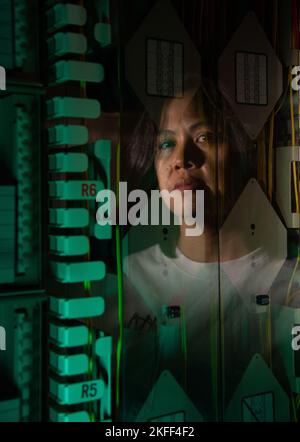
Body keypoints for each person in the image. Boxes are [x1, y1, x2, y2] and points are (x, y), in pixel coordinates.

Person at [116, 81, 279, 422]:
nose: (180, 159)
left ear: (239, 150)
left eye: (204, 137)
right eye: (165, 143)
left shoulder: (286, 282)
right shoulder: (130, 281)